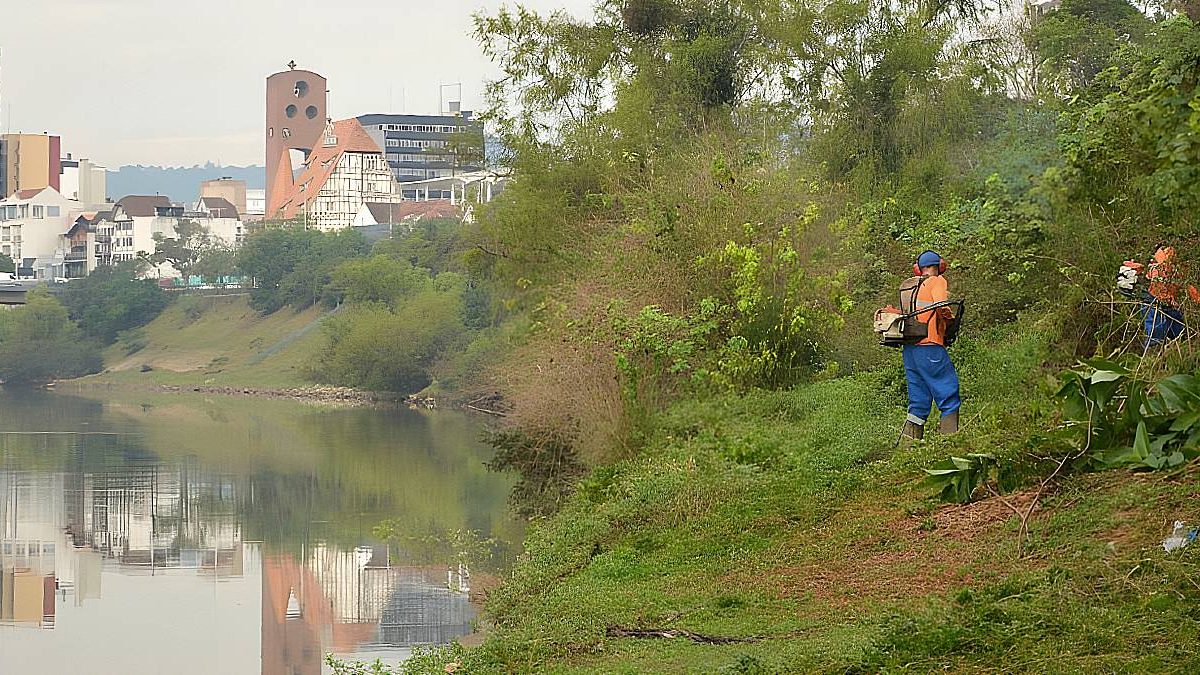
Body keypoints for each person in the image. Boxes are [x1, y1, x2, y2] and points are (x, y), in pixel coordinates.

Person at [900, 250, 961, 441]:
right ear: (939, 267)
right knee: (948, 390)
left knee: (918, 401)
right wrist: (949, 320)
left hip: (910, 350)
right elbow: (941, 305)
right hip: (930, 346)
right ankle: (949, 441)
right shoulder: (937, 281)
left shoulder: (911, 286)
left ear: (918, 269)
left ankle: (908, 447)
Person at [1118, 246, 1199, 348]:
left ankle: (1178, 348)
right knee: (1156, 329)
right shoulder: (1156, 268)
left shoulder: (1176, 271)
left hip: (1169, 305)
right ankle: (1154, 352)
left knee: (1178, 330)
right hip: (1153, 302)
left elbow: (1188, 287)